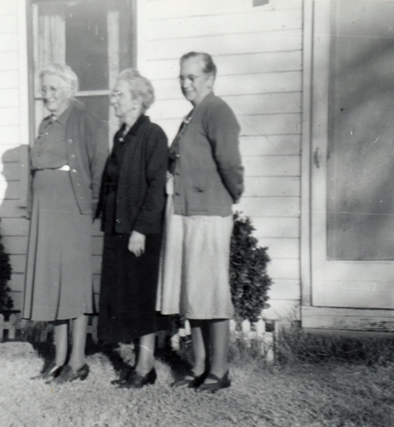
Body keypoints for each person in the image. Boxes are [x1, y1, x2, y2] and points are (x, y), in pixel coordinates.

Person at [157, 52, 244, 393]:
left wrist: (229, 196)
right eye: (182, 77)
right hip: (184, 212)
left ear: (210, 78)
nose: (185, 83)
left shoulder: (217, 111)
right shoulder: (191, 117)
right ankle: (199, 365)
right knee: (193, 291)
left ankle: (219, 370)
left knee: (210, 290)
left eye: (192, 77)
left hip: (208, 213)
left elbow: (231, 164)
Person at [23, 63, 108, 384]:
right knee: (53, 283)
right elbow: (35, 172)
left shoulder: (87, 121)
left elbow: (100, 169)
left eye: (54, 89)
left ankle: (77, 361)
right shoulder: (45, 124)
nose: (48, 95)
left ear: (71, 90)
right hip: (46, 213)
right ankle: (58, 359)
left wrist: (92, 208)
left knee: (72, 285)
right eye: (44, 89)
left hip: (72, 210)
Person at [96, 69, 169, 388]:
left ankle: (144, 367)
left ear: (137, 100)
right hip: (118, 228)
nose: (113, 100)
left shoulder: (153, 135)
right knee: (126, 297)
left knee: (140, 298)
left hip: (139, 232)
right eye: (113, 94)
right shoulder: (121, 136)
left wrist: (141, 229)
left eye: (119, 94)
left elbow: (156, 188)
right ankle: (141, 364)